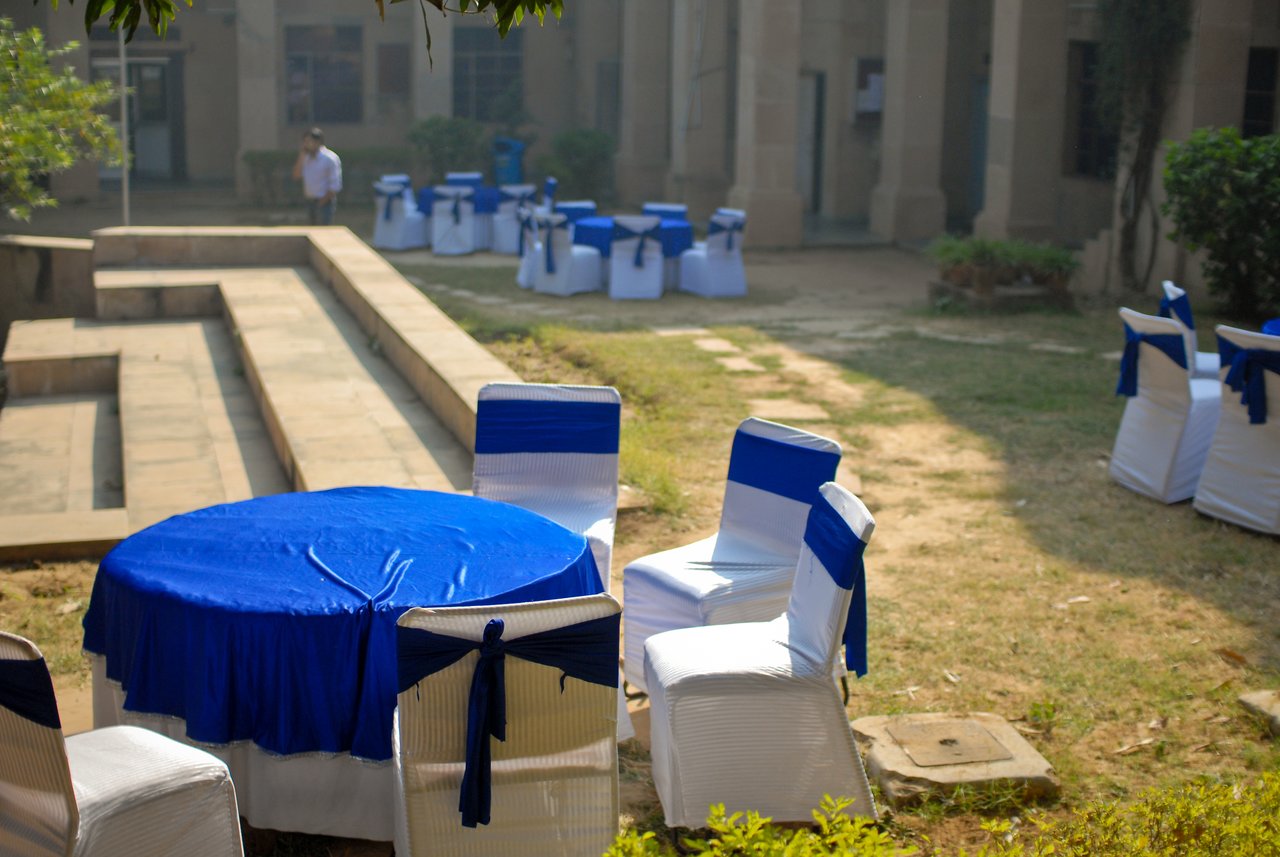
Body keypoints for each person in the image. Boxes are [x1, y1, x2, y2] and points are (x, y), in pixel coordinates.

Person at [292, 127, 342, 225]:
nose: (305, 145)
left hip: (325, 202)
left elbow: (335, 185)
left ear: (317, 142)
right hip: (309, 201)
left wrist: (321, 203)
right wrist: (301, 156)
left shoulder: (330, 158)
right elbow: (296, 176)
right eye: (304, 142)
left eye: (308, 141)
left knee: (323, 234)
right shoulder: (305, 158)